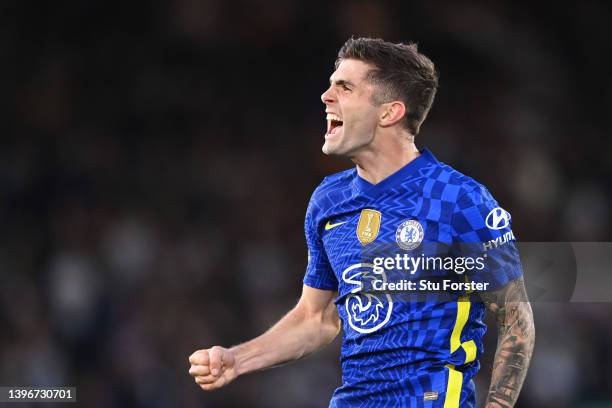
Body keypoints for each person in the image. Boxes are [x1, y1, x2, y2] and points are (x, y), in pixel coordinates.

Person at [189, 37, 535, 407]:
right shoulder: (328, 200)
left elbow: (516, 322)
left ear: (389, 113)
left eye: (345, 87)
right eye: (330, 83)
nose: (326, 96)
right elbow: (317, 318)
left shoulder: (459, 200)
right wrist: (237, 359)